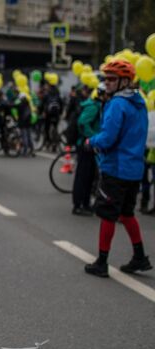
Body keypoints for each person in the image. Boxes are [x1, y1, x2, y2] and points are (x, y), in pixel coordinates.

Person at [84, 60, 151, 277]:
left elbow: (108, 137)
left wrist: (91, 141)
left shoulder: (117, 104)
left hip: (116, 168)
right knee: (127, 213)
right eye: (106, 78)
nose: (107, 82)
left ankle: (101, 262)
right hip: (134, 169)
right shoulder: (139, 102)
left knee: (107, 215)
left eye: (112, 79)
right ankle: (139, 257)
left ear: (125, 81)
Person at [72, 84, 105, 216]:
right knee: (83, 176)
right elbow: (82, 122)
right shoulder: (93, 106)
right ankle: (78, 205)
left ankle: (85, 204)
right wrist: (93, 138)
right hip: (86, 146)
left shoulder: (96, 105)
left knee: (90, 176)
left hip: (90, 145)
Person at [41, 81, 64, 152]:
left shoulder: (47, 94)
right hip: (56, 114)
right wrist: (60, 113)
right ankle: (55, 142)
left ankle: (48, 141)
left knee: (46, 128)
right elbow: (62, 104)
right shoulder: (58, 94)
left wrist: (43, 112)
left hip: (48, 114)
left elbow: (43, 104)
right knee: (55, 127)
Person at [15, 87, 34, 157]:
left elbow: (17, 111)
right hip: (28, 122)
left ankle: (25, 151)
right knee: (29, 136)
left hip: (23, 122)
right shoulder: (28, 103)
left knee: (24, 136)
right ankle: (32, 149)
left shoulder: (20, 105)